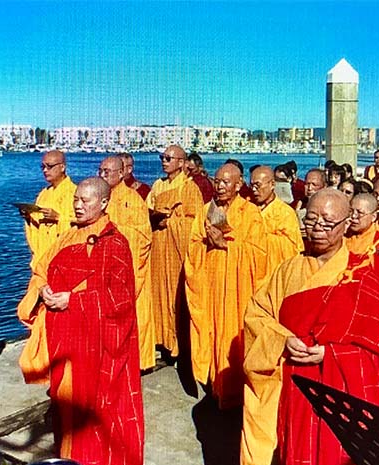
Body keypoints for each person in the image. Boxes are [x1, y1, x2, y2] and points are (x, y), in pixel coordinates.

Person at [241, 188, 379, 465]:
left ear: (346, 224)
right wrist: (281, 339)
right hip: (295, 381)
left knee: (338, 461)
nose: (317, 227)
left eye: (327, 222)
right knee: (298, 451)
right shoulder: (288, 269)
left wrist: (331, 354)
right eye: (311, 218)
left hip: (340, 389)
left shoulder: (361, 276)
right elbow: (257, 315)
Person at [16, 178, 144, 465]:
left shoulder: (115, 244)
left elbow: (122, 299)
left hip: (98, 347)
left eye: (86, 200)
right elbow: (43, 269)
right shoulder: (68, 236)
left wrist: (73, 300)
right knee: (67, 408)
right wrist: (43, 290)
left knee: (96, 411)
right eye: (76, 199)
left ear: (103, 204)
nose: (78, 205)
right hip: (67, 340)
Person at [186, 163, 269, 409]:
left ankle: (234, 391)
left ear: (238, 184)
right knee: (209, 330)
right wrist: (205, 244)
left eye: (226, 182)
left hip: (236, 288)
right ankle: (213, 383)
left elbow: (259, 254)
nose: (220, 186)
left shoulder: (250, 212)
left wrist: (227, 245)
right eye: (217, 181)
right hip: (210, 283)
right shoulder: (205, 211)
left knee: (233, 334)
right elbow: (192, 248)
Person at [99, 156, 155, 370]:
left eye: (107, 171)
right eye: (100, 171)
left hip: (130, 266)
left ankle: (138, 362)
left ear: (121, 174)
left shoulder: (132, 199)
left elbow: (143, 237)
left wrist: (116, 234)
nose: (102, 175)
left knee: (135, 314)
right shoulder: (102, 198)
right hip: (107, 267)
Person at [147, 145, 203, 358]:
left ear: (181, 163)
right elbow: (148, 210)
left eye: (169, 158)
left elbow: (194, 222)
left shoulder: (189, 188)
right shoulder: (157, 185)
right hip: (158, 246)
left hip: (177, 249)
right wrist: (155, 218)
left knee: (176, 294)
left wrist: (170, 222)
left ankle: (179, 344)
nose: (164, 161)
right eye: (163, 157)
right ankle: (161, 340)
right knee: (157, 292)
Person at [23, 150, 76, 267]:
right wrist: (28, 217)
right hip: (41, 257)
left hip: (61, 259)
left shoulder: (74, 193)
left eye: (50, 166)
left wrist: (59, 218)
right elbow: (37, 225)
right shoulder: (43, 194)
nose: (45, 170)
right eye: (43, 166)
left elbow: (79, 226)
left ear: (62, 167)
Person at [250, 166, 304, 267]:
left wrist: (260, 238)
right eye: (251, 185)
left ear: (272, 184)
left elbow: (293, 248)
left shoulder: (285, 213)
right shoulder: (247, 208)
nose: (254, 189)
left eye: (258, 185)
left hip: (274, 271)